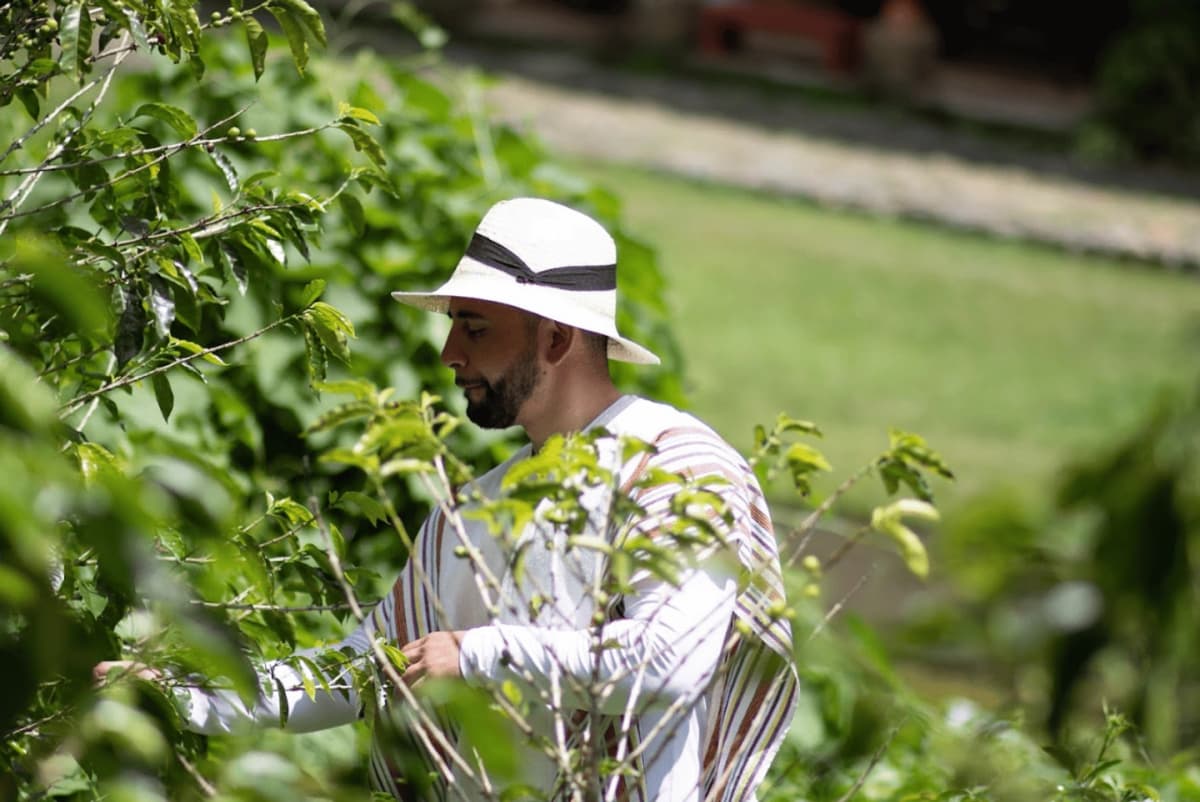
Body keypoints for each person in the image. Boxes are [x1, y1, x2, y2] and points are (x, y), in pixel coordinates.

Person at [95, 198, 797, 802]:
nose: (449, 353)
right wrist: (189, 696)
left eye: (476, 326)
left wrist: (482, 652)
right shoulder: (475, 510)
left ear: (556, 338)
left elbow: (668, 666)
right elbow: (364, 670)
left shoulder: (675, 467)